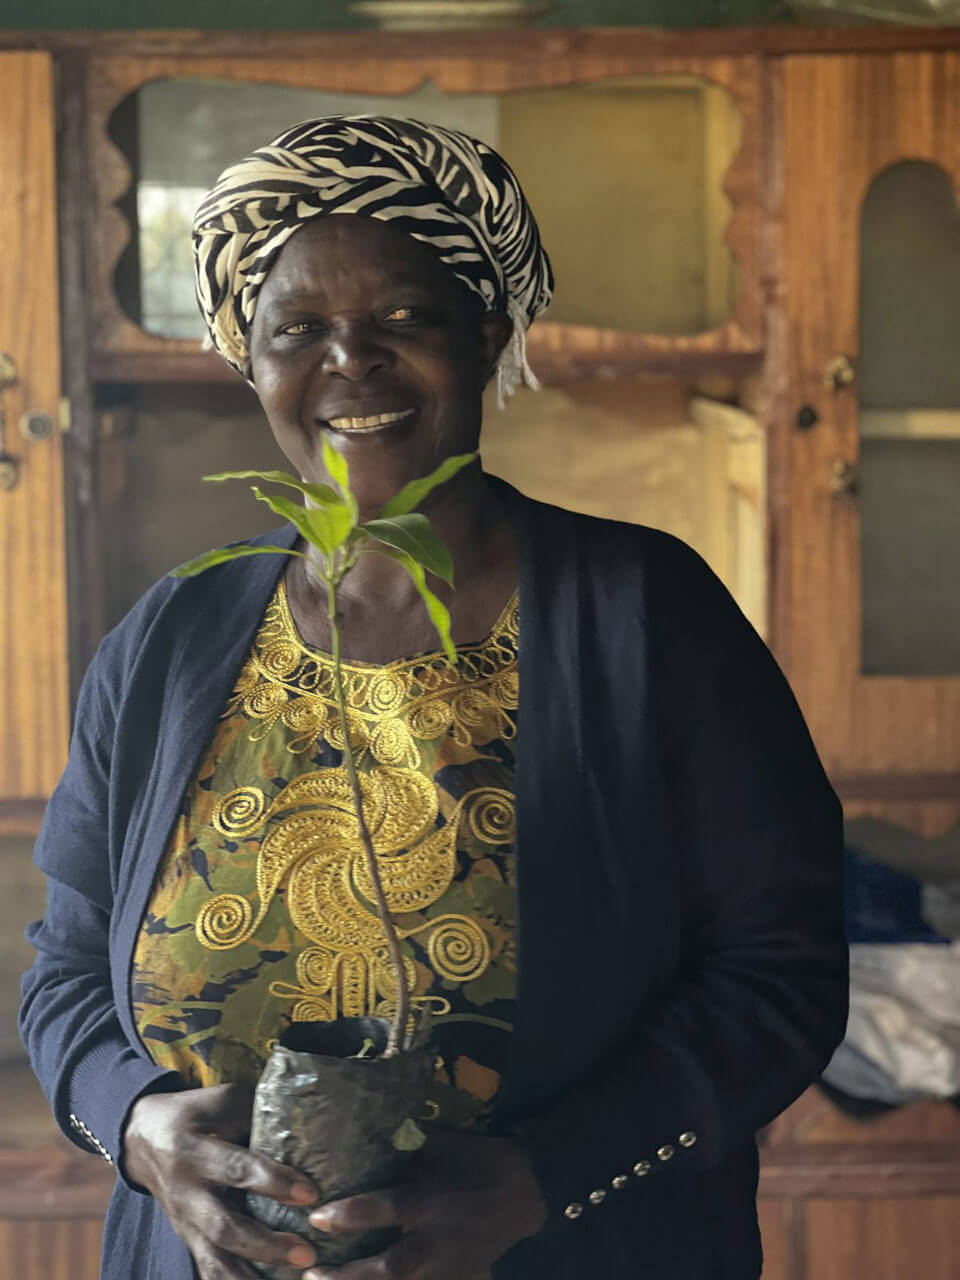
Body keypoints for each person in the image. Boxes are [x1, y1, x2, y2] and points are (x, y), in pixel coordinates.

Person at [20, 116, 848, 1280]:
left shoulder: (648, 611)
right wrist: (138, 1124)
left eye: (402, 317)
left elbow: (783, 972)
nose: (349, 360)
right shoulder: (170, 636)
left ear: (486, 333)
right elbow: (62, 976)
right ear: (250, 365)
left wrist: (542, 1179)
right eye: (298, 329)